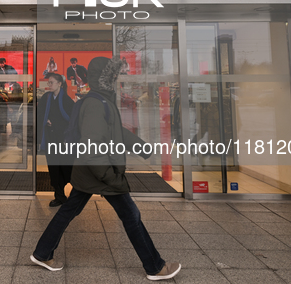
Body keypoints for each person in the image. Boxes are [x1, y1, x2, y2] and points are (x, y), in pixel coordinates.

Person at [30, 57, 181, 281]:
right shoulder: (95, 103)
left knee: (68, 211)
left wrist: (141, 146)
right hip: (99, 171)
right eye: (114, 77)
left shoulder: (102, 101)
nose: (118, 81)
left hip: (89, 172)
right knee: (131, 215)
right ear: (106, 79)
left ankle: (42, 253)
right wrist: (110, 176)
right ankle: (155, 266)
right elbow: (92, 147)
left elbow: (113, 130)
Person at [37, 73, 74, 207]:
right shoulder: (45, 98)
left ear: (59, 84)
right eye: (48, 83)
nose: (49, 85)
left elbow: (71, 121)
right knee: (53, 168)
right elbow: (39, 113)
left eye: (51, 82)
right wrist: (44, 120)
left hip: (63, 140)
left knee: (65, 167)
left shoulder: (67, 100)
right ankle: (59, 196)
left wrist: (56, 124)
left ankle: (74, 193)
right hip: (50, 139)